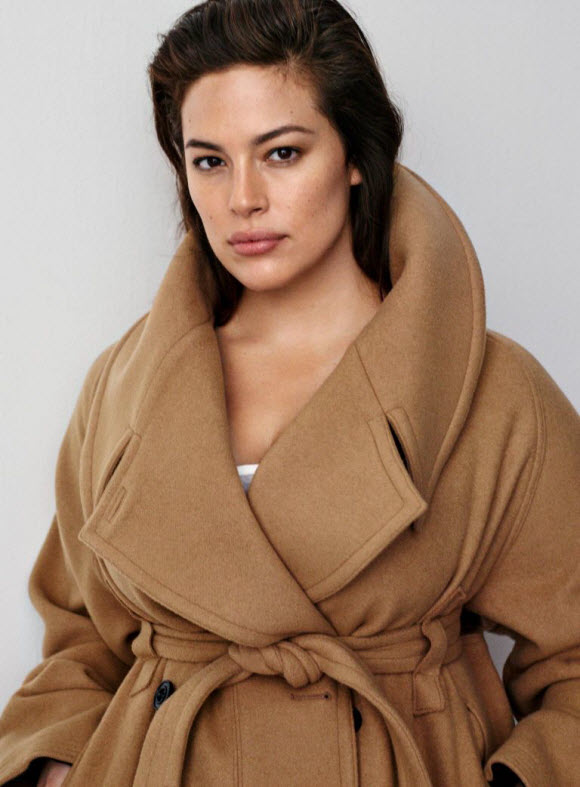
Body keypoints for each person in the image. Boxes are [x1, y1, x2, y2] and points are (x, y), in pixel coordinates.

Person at [0, 0, 578, 785]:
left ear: (353, 154)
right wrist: (54, 768)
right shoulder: (124, 387)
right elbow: (80, 637)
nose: (243, 198)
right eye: (210, 161)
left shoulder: (490, 392)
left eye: (280, 153)